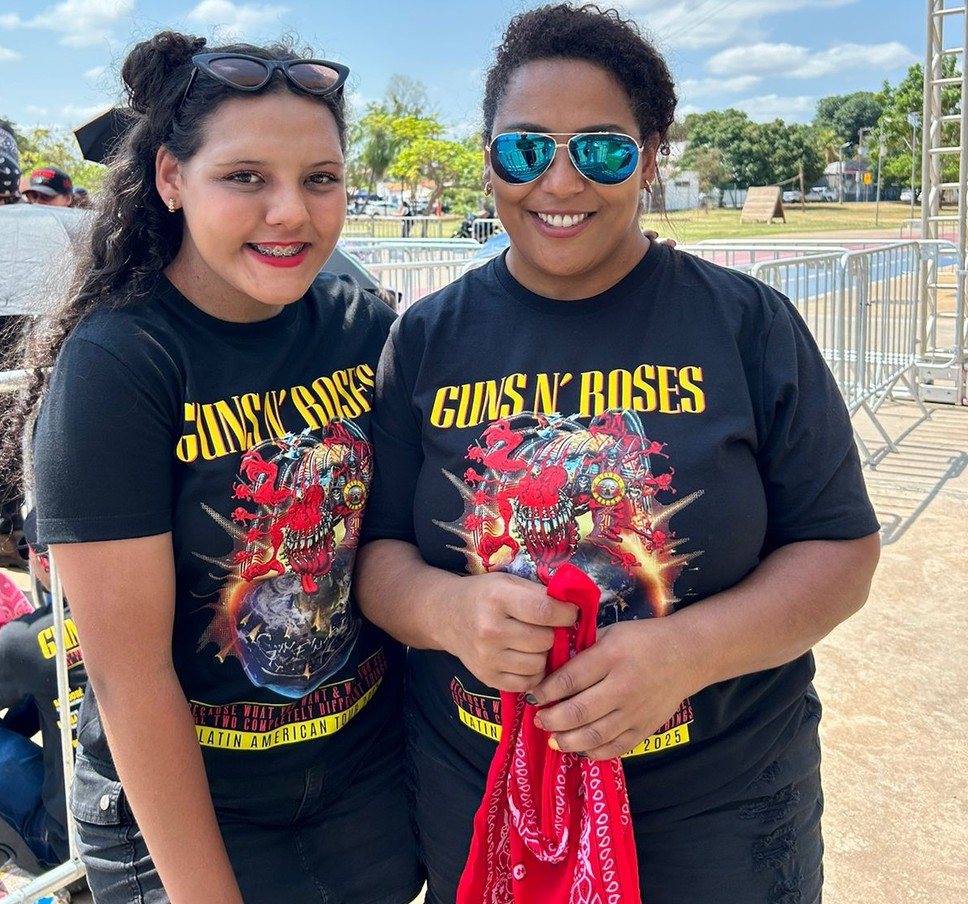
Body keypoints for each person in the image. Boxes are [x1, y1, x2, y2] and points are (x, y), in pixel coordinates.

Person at [355, 5, 881, 904]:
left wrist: (686, 654)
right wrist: (448, 612)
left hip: (720, 814)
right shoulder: (427, 338)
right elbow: (379, 555)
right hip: (482, 798)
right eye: (525, 149)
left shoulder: (747, 326)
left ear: (651, 157)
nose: (559, 182)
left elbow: (840, 550)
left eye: (601, 150)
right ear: (488, 160)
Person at [16, 30, 422, 904]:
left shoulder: (364, 326)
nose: (292, 212)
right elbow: (130, 680)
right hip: (190, 810)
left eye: (321, 178)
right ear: (171, 178)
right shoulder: (123, 362)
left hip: (365, 788)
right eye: (245, 177)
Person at [0, 511, 87, 870]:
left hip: (70, 840)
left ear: (41, 561)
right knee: (47, 681)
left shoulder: (24, 640)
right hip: (157, 819)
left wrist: (1, 657)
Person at [0, 119, 28, 571]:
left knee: (12, 443)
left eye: (1, 200)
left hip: (15, 342)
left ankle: (9, 535)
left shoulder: (27, 226)